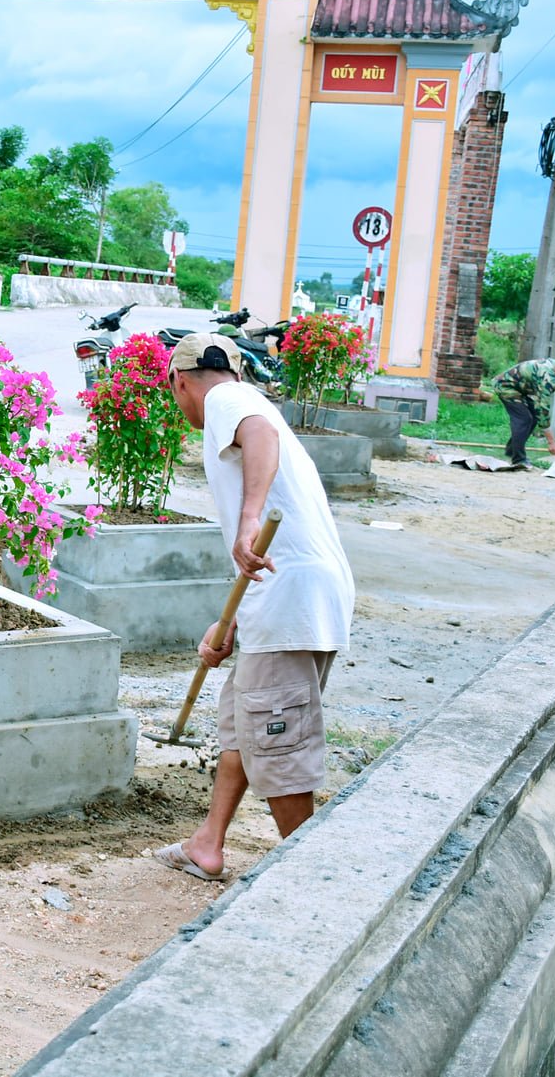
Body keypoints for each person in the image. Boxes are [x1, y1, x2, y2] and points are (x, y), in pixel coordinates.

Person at [153, 334, 356, 881]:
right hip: (291, 596)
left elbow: (259, 436)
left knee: (277, 741)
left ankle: (308, 880)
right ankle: (208, 843)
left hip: (292, 601)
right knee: (245, 724)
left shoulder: (227, 401)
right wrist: (230, 621)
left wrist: (248, 521)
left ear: (179, 380)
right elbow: (272, 550)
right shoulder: (244, 401)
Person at [490, 355, 555, 467]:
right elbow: (543, 410)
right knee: (524, 419)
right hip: (506, 386)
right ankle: (518, 459)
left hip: (521, 388)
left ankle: (512, 450)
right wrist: (551, 442)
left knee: (533, 417)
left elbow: (539, 405)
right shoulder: (549, 379)